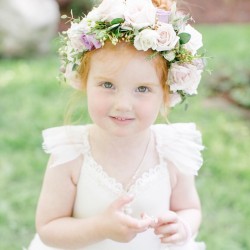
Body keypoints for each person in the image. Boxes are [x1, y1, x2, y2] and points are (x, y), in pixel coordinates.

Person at [28, 0, 207, 249]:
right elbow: (48, 228)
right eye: (108, 85)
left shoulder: (171, 150)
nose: (123, 104)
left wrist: (183, 226)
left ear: (166, 94)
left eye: (143, 89)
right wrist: (101, 227)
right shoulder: (70, 154)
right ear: (84, 80)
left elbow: (189, 208)